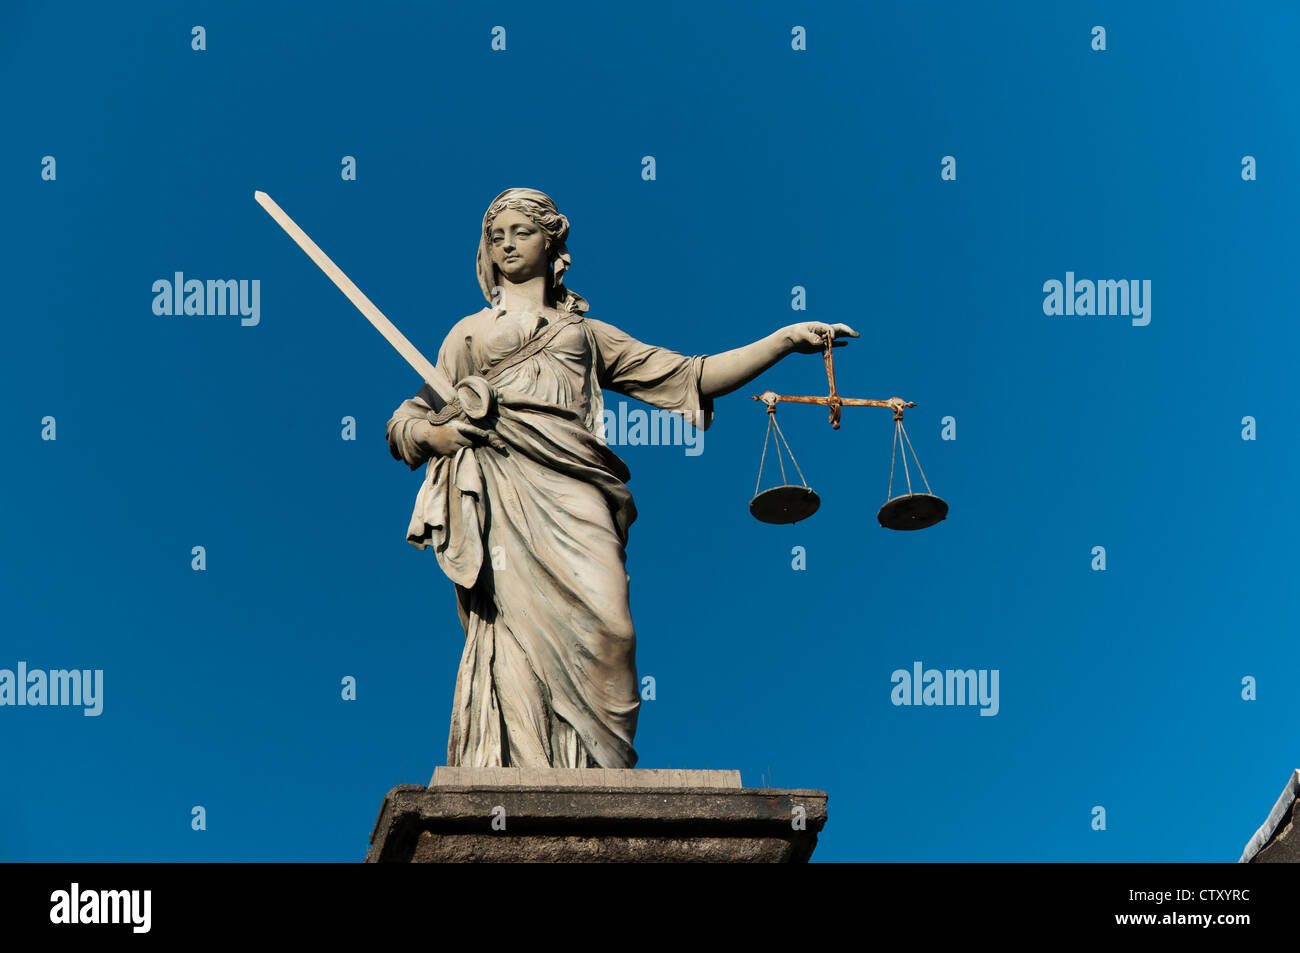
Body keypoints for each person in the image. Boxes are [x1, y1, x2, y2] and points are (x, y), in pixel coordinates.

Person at [386, 187, 856, 769]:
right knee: (512, 631)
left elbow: (692, 375)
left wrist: (783, 340)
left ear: (552, 242)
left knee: (612, 630)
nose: (506, 243)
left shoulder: (584, 334)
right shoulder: (467, 335)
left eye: (521, 232)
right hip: (501, 482)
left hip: (576, 484)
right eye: (496, 235)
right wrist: (436, 437)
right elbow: (409, 419)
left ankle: (601, 777)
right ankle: (525, 768)